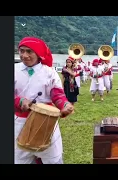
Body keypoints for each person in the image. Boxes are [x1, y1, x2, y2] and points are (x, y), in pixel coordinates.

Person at [14, 36, 74, 164]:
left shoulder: (49, 72)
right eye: (22, 51)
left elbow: (56, 93)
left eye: (29, 51)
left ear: (38, 53)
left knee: (53, 160)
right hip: (20, 123)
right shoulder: (14, 70)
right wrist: (19, 101)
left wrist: (65, 104)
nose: (24, 55)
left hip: (46, 123)